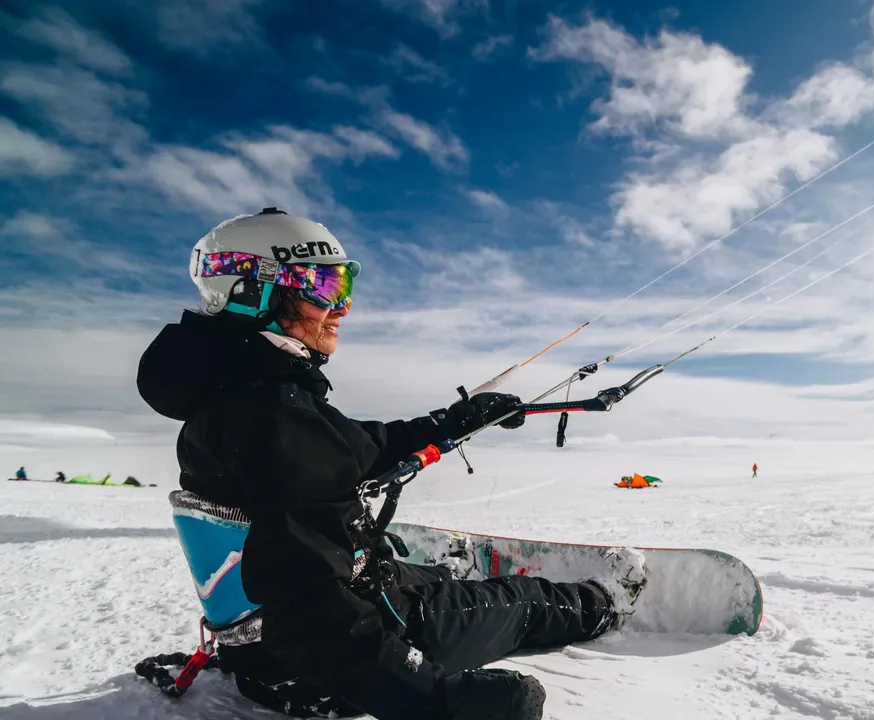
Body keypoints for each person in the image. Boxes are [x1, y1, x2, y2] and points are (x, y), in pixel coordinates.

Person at [135, 208, 647, 720]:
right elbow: (310, 613)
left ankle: (443, 581)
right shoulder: (274, 416)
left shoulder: (238, 397)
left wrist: (453, 422)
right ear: (256, 292)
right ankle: (607, 601)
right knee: (525, 602)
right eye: (323, 286)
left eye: (344, 284)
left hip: (292, 628)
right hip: (336, 653)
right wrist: (438, 703)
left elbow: (350, 449)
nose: (343, 306)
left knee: (428, 579)